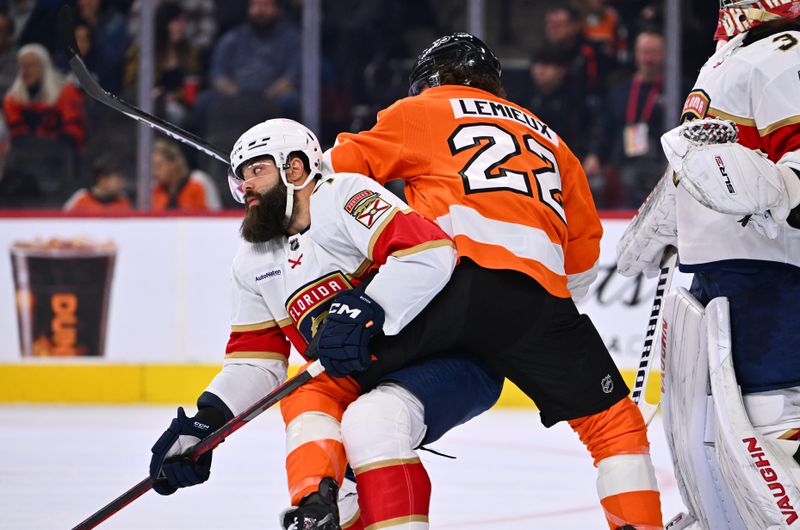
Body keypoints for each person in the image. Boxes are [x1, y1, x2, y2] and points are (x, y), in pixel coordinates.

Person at [318, 32, 663, 530]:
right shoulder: (552, 138)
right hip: (536, 302)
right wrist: (537, 322)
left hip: (444, 287)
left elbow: (332, 181)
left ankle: (335, 498)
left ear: (431, 81)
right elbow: (583, 255)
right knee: (615, 428)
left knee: (336, 386)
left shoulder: (423, 110)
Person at [147, 118, 503, 530]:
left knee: (373, 420)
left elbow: (430, 252)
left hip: (445, 354)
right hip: (370, 372)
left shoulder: (345, 196)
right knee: (303, 393)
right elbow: (256, 362)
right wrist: (207, 423)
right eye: (240, 178)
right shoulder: (253, 262)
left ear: (295, 168)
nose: (246, 187)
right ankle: (318, 504)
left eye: (257, 171)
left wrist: (365, 306)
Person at [616, 2, 800, 528]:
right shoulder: (726, 59)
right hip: (718, 282)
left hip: (774, 283)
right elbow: (700, 165)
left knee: (768, 436)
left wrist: (775, 189)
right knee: (709, 438)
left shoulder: (786, 52)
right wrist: (666, 212)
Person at [150, 138, 220, 211]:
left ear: (174, 163)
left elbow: (216, 215)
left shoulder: (199, 181)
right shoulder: (154, 189)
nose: (154, 172)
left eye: (159, 165)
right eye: (153, 166)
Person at [63, 154, 131, 212]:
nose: (122, 184)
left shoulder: (123, 200)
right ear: (103, 180)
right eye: (118, 179)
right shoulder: (80, 199)